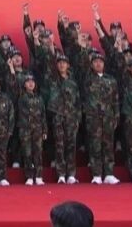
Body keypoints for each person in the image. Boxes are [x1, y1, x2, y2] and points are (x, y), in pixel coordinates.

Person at [84, 51, 119, 184]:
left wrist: (116, 116)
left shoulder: (111, 80)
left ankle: (109, 173)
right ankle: (97, 174)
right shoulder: (88, 79)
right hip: (94, 118)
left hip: (108, 118)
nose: (98, 64)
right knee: (95, 146)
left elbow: (115, 100)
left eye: (100, 62)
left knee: (108, 146)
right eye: (95, 62)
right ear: (91, 65)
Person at [47, 54, 80, 184]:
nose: (62, 65)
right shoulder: (53, 79)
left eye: (64, 63)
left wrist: (77, 118)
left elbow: (77, 102)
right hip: (58, 117)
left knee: (71, 145)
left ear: (68, 65)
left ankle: (71, 174)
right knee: (59, 145)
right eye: (59, 63)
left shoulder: (73, 83)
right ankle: (61, 174)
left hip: (71, 117)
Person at [15, 73, 45, 186]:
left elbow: (43, 115)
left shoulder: (39, 98)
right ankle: (29, 176)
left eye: (32, 81)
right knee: (27, 153)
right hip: (25, 129)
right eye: (28, 82)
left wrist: (44, 130)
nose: (31, 84)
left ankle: (39, 176)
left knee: (38, 152)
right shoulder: (21, 97)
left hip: (38, 129)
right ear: (24, 84)